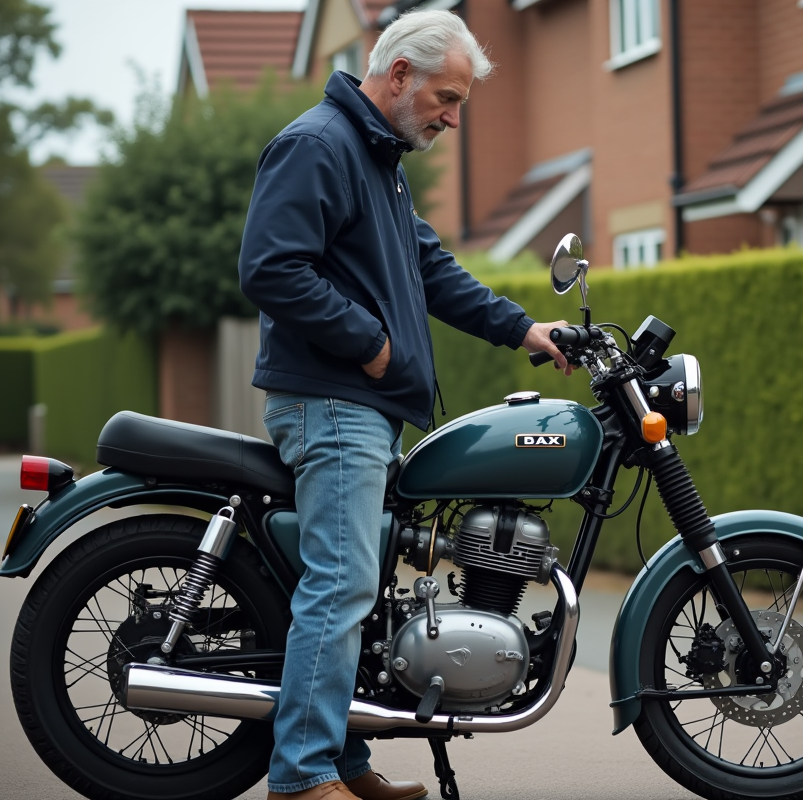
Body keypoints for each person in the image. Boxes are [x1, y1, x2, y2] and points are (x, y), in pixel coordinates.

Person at [237, 9, 571, 800]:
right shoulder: (319, 145)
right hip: (333, 400)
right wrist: (370, 344)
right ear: (397, 77)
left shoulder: (375, 158)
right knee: (343, 583)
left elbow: (431, 268)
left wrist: (522, 328)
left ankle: (345, 764)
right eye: (446, 98)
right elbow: (270, 268)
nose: (452, 119)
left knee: (364, 588)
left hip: (361, 404)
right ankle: (302, 776)